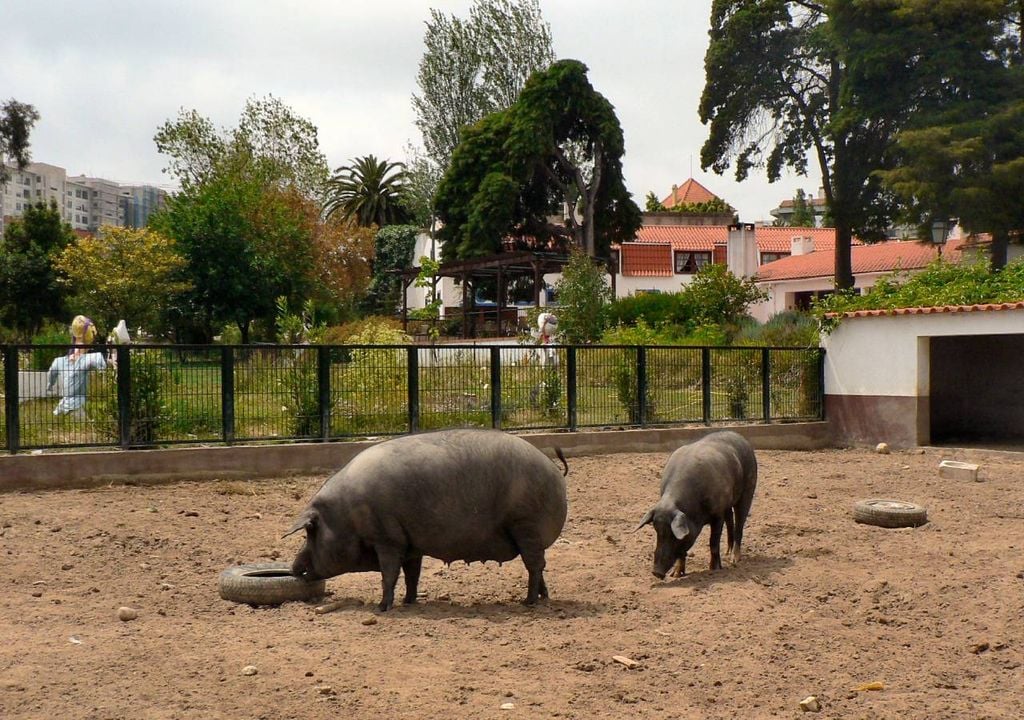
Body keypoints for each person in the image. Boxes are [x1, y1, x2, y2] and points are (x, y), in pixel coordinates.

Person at [47, 315, 107, 416]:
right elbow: (103, 364)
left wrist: (49, 386)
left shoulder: (59, 361)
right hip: (79, 404)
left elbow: (51, 373)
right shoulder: (88, 359)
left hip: (64, 403)